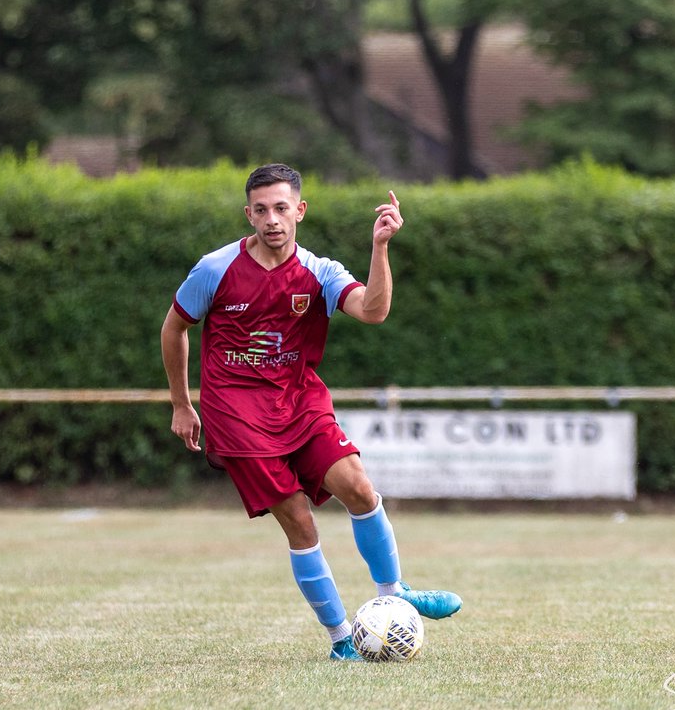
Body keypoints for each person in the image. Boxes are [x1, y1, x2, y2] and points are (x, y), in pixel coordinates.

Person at [160, 162, 462, 660]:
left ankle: (394, 593)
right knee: (300, 521)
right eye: (261, 210)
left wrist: (380, 246)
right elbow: (174, 328)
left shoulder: (319, 272)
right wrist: (180, 403)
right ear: (248, 214)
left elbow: (373, 310)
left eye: (281, 208)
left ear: (299, 210)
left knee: (360, 489)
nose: (272, 219)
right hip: (236, 416)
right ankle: (343, 639)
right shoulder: (214, 269)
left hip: (300, 402)